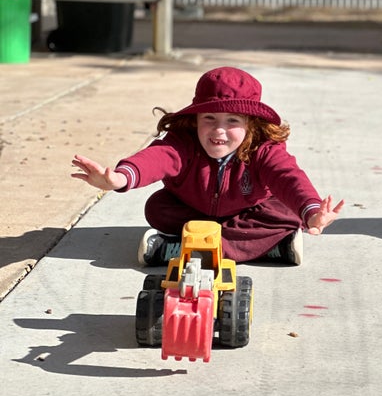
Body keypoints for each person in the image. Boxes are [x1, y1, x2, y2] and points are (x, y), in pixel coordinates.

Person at [71, 66, 344, 266]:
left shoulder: (263, 148)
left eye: (233, 121)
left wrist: (311, 212)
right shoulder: (184, 143)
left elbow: (288, 177)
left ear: (251, 124)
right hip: (193, 211)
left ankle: (182, 249)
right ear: (196, 118)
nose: (219, 131)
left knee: (285, 212)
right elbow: (156, 158)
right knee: (157, 207)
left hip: (247, 213)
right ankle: (268, 248)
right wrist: (121, 178)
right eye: (210, 118)